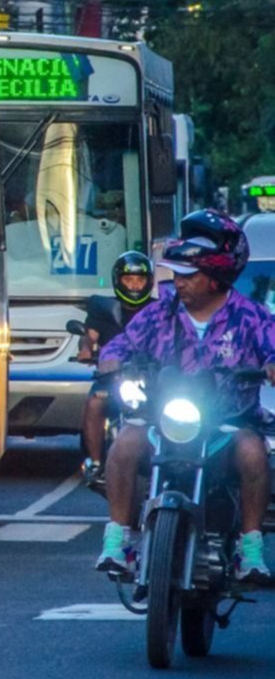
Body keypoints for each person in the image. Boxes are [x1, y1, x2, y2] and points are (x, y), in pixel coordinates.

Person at [95, 211, 275, 582]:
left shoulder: (253, 317)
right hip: (164, 420)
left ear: (215, 278)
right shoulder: (159, 314)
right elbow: (120, 346)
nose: (179, 282)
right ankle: (118, 542)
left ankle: (250, 549)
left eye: (189, 275)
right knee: (124, 444)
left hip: (228, 424)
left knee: (254, 453)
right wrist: (110, 359)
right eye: (176, 274)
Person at [76, 251, 155, 482]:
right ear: (118, 281)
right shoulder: (103, 308)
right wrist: (86, 349)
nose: (134, 284)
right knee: (95, 401)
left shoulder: (158, 310)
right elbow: (89, 337)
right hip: (112, 376)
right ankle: (96, 463)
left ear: (148, 281)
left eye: (139, 279)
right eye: (128, 279)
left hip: (149, 376)